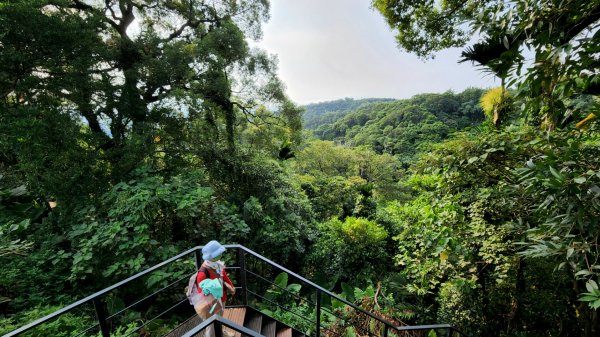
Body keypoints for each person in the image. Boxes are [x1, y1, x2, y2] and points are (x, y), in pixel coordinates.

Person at [193, 240, 235, 337]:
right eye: (218, 253)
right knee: (211, 325)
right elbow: (201, 292)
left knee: (220, 317)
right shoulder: (203, 272)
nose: (220, 254)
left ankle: (221, 332)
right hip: (211, 303)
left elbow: (224, 276)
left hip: (221, 297)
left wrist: (231, 287)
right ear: (211, 256)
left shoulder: (217, 265)